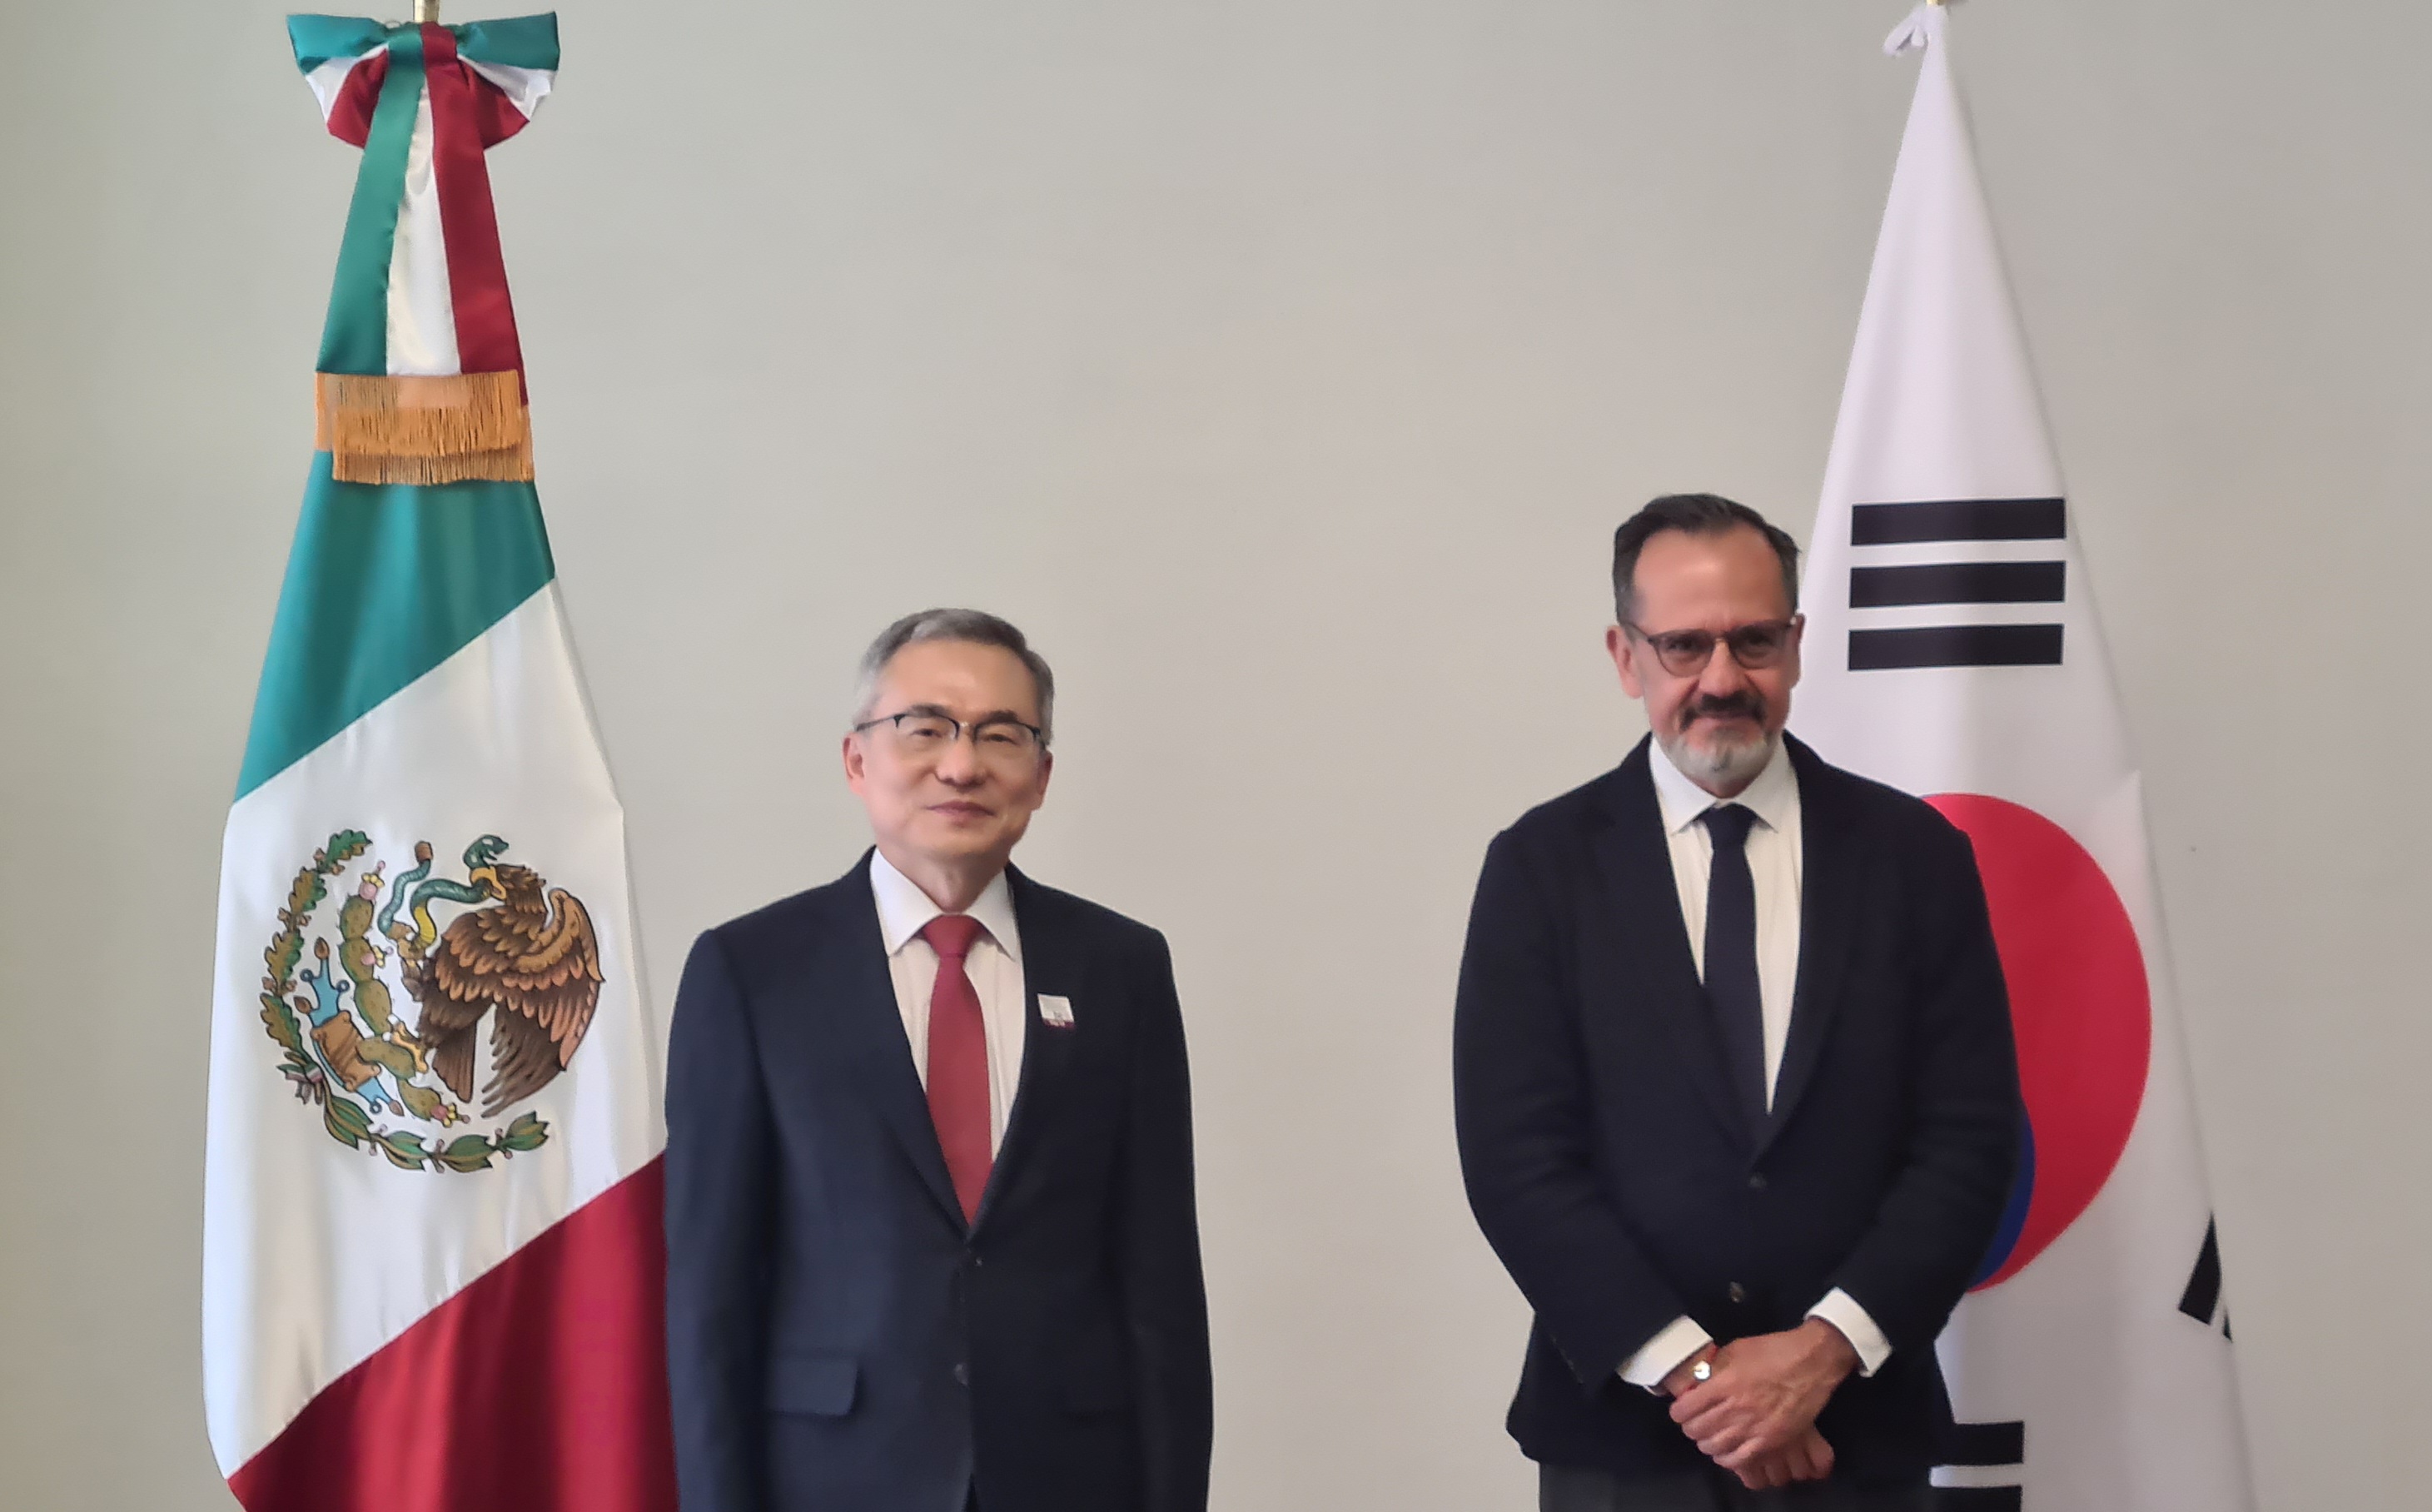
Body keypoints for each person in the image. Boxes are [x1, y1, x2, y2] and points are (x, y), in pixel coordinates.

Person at [1452, 495, 2022, 1510]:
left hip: (1855, 1435)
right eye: (1682, 646)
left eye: (1752, 641)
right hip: (1622, 1444)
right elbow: (1515, 1159)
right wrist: (1703, 1382)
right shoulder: (1539, 868)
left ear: (1794, 646)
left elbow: (1967, 1141)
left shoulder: (1915, 860)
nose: (1721, 679)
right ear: (1625, 657)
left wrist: (1819, 1355)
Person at [664, 609, 1212, 1512]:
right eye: (924, 728)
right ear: (856, 760)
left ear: (1040, 776)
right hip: (832, 1476)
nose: (961, 765)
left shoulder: (1121, 967)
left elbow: (1160, 1278)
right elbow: (708, 1292)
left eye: (1001, 734)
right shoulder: (751, 972)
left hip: (1073, 1475)